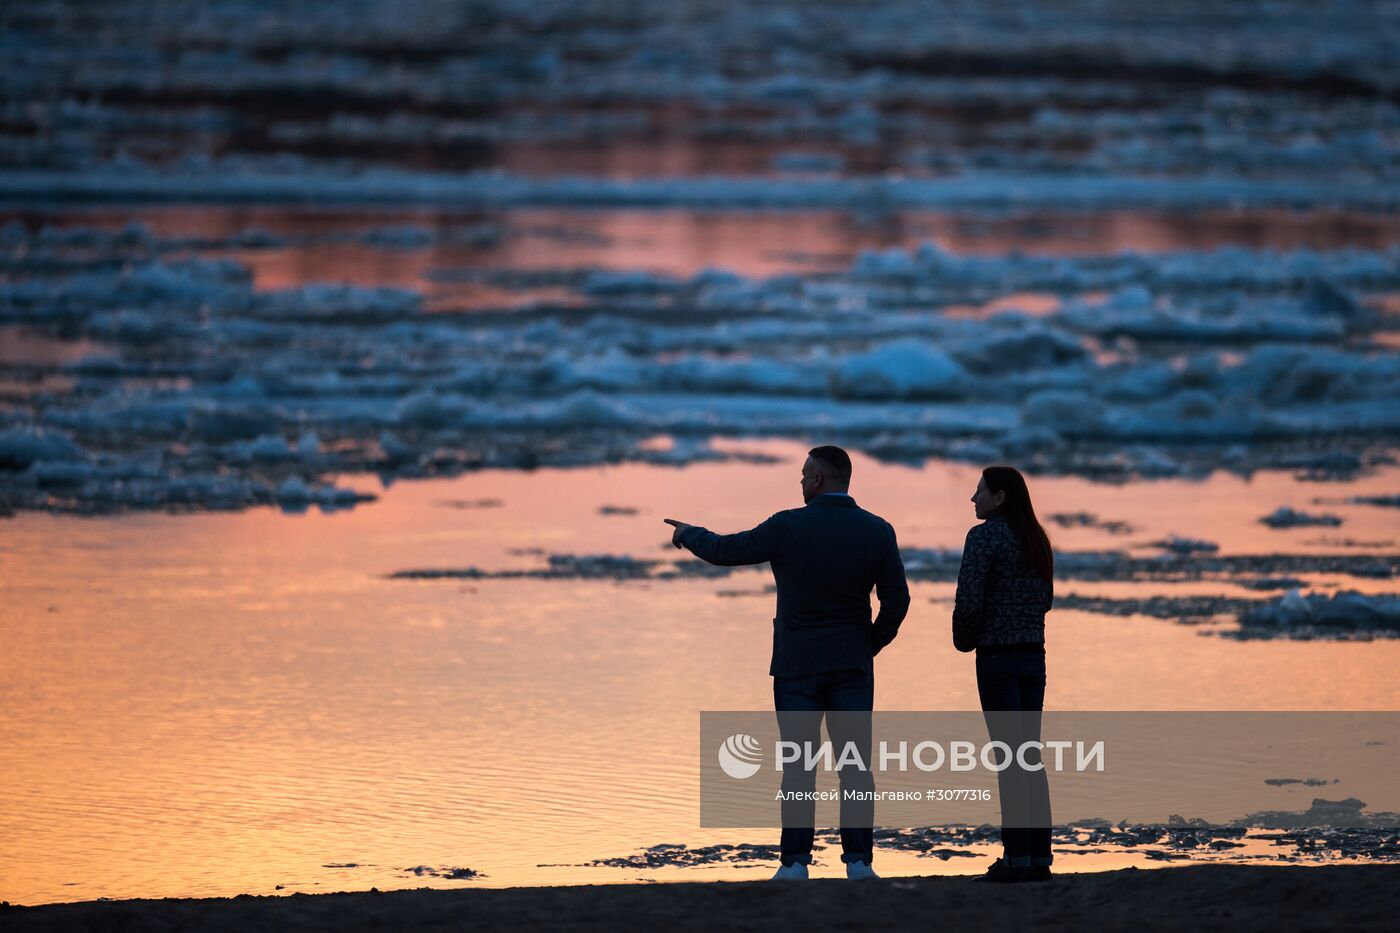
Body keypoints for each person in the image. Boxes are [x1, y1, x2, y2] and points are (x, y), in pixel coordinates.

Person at [665, 445, 909, 881]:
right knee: (855, 765)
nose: (799, 482)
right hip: (851, 664)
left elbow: (726, 550)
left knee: (799, 765)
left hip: (797, 665)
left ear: (818, 479)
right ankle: (859, 862)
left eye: (803, 474)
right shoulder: (877, 529)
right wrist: (867, 645)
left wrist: (688, 533)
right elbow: (897, 601)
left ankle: (795, 863)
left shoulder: (788, 526)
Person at [953, 465, 1055, 883]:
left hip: (997, 658)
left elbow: (969, 599)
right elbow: (1045, 600)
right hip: (1034, 655)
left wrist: (963, 639)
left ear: (999, 498)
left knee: (1010, 760)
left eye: (980, 492)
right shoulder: (1037, 539)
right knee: (1029, 757)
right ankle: (1038, 856)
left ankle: (1016, 858)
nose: (973, 499)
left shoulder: (983, 538)